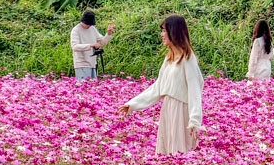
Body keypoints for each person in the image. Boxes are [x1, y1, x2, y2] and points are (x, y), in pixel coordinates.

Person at [119, 14, 203, 153]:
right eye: (162, 30)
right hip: (168, 108)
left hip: (180, 110)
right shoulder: (169, 59)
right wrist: (132, 104)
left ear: (174, 32)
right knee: (167, 148)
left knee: (178, 150)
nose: (162, 34)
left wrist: (194, 120)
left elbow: (195, 90)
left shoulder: (187, 59)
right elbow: (158, 87)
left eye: (164, 30)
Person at [71, 10, 113, 81]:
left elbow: (101, 42)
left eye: (90, 24)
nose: (88, 26)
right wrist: (90, 45)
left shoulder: (92, 28)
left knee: (93, 87)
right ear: (83, 21)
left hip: (92, 63)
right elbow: (75, 47)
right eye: (87, 24)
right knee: (83, 86)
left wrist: (108, 34)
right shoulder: (76, 30)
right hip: (81, 64)